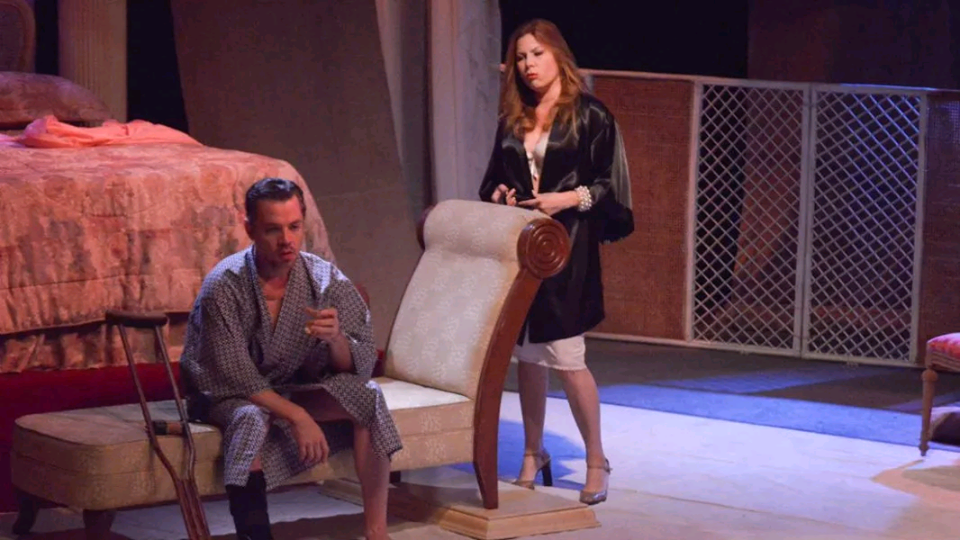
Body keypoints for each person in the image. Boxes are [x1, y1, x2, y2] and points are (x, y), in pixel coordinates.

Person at [180, 178, 401, 540]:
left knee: (369, 397)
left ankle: (377, 532)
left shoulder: (324, 278)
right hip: (226, 395)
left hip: (290, 387)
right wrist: (298, 416)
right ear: (250, 229)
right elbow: (235, 377)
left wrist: (336, 339)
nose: (287, 240)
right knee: (250, 419)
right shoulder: (225, 285)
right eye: (273, 229)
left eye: (294, 227)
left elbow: (357, 365)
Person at [478, 18, 634, 506]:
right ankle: (532, 452)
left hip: (567, 249)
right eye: (521, 57)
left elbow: (609, 186)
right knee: (527, 356)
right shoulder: (514, 118)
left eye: (537, 54)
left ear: (557, 55)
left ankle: (596, 460)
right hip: (523, 249)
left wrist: (566, 199)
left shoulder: (590, 115)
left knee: (567, 356)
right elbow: (491, 181)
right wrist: (501, 195)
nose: (528, 65)